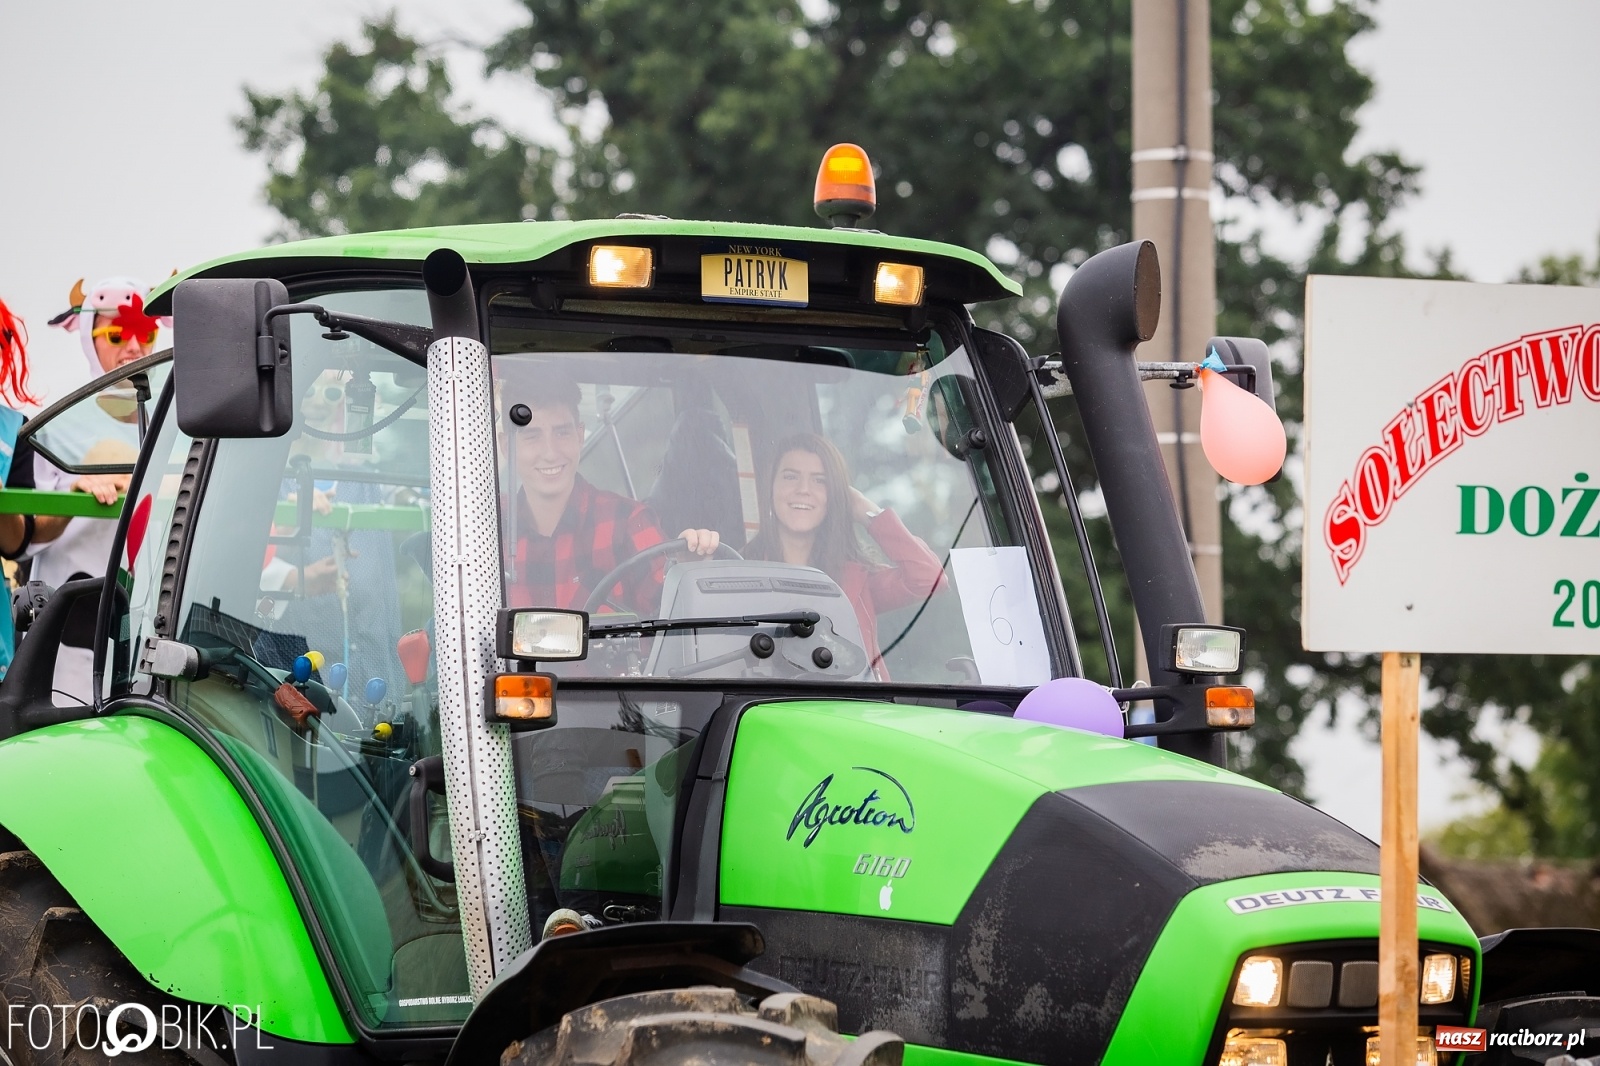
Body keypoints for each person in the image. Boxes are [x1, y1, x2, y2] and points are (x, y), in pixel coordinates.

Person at [0, 278, 163, 703]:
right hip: (68, 624)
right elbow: (21, 539)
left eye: (144, 333)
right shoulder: (53, 425)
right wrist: (76, 486)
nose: (133, 348)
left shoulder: (179, 424)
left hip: (152, 625)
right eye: (115, 333)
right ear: (89, 340)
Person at [502, 376, 719, 616]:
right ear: (505, 446)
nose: (550, 453)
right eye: (532, 436)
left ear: (580, 435)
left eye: (562, 433)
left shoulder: (628, 521)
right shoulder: (482, 532)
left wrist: (689, 571)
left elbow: (675, 614)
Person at [742, 432, 945, 678]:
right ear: (769, 488)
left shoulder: (859, 579)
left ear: (836, 496)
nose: (803, 490)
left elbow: (930, 578)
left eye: (820, 481)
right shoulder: (742, 574)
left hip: (857, 710)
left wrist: (866, 511)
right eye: (790, 477)